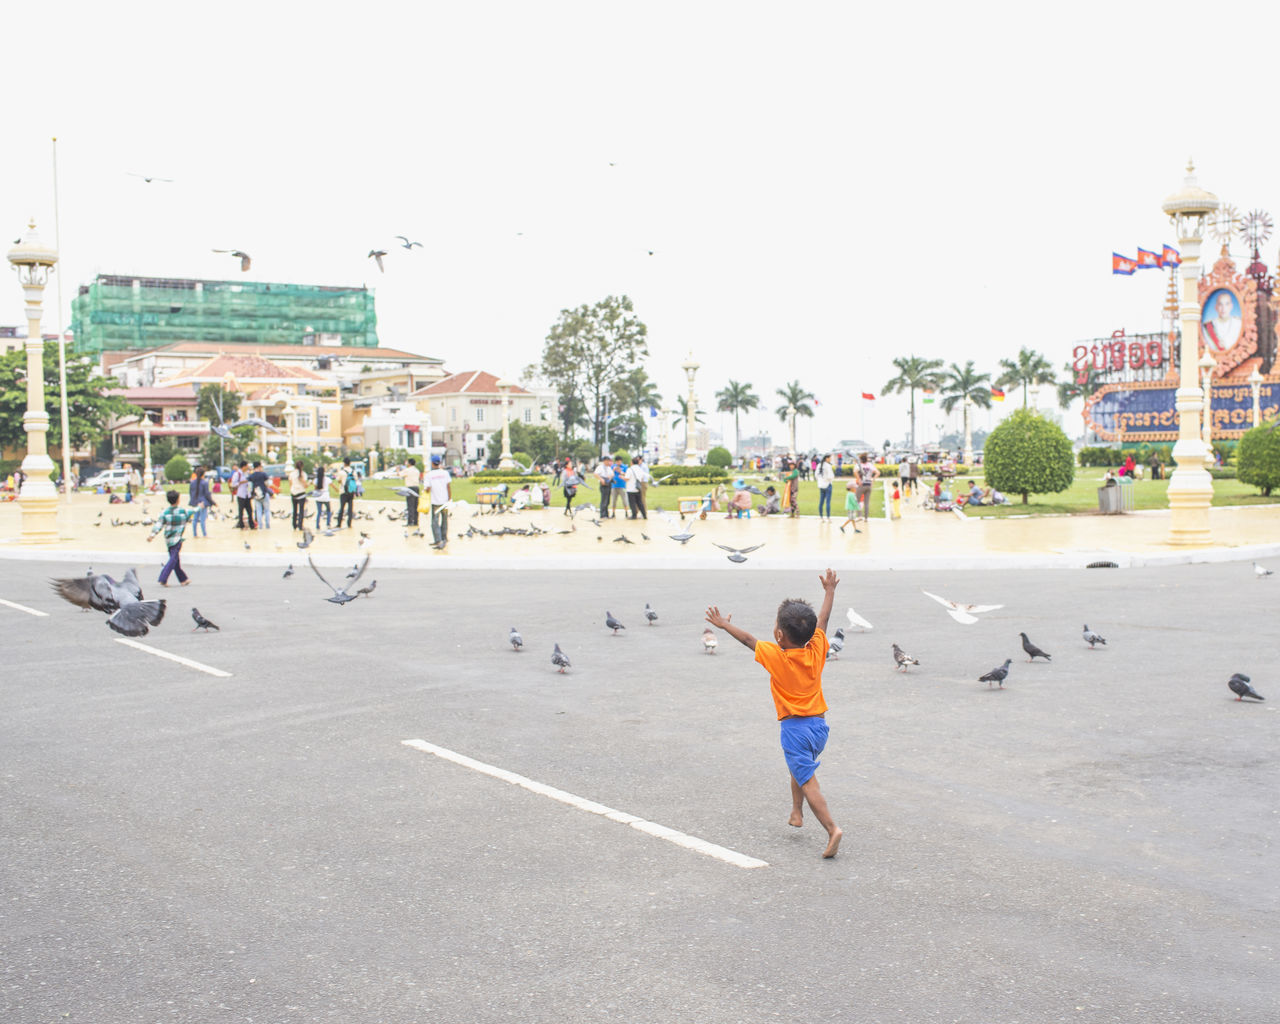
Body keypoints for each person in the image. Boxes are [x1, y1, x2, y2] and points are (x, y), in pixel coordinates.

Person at [703, 569, 843, 859]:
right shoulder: (816, 649)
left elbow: (748, 641)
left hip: (794, 729)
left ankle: (832, 829)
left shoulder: (777, 656)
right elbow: (825, 620)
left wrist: (723, 625)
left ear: (779, 634)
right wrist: (829, 591)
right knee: (800, 768)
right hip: (819, 727)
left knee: (806, 777)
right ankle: (796, 812)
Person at [147, 489, 194, 586]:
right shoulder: (182, 511)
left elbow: (158, 525)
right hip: (177, 539)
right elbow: (192, 512)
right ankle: (163, 578)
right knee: (173, 559)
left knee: (175, 559)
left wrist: (152, 535)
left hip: (168, 540)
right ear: (178, 500)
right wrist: (200, 507)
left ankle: (183, 579)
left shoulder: (164, 513)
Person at [426, 454, 452, 549]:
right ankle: (444, 538)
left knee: (435, 521)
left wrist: (425, 491)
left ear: (432, 463)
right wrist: (449, 498)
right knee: (444, 520)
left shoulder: (429, 475)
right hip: (445, 501)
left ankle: (438, 540)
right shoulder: (445, 473)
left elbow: (427, 489)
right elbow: (448, 486)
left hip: (435, 502)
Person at [187, 466, 215, 538]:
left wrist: (194, 501)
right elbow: (207, 494)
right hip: (203, 503)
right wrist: (213, 502)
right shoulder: (204, 483)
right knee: (203, 520)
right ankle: (204, 534)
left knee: (195, 519)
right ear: (203, 474)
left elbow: (190, 493)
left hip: (195, 503)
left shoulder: (192, 482)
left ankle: (195, 534)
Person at [249, 461, 271, 530]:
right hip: (264, 494)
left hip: (256, 495)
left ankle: (260, 526)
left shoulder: (251, 476)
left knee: (258, 511)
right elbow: (267, 484)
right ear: (259, 466)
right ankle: (267, 526)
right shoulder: (263, 474)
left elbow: (250, 486)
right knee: (267, 510)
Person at [856, 453, 879, 521]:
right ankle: (866, 518)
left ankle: (859, 516)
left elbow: (855, 471)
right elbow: (878, 472)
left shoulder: (859, 465)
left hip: (862, 484)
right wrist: (873, 480)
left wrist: (858, 479)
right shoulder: (870, 465)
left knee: (857, 501)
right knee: (866, 502)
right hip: (868, 484)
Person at [231, 461, 253, 529]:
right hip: (241, 495)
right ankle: (241, 525)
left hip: (247, 494)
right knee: (241, 511)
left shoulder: (247, 473)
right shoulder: (237, 474)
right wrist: (241, 482)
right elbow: (233, 484)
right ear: (244, 466)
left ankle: (251, 525)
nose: (248, 467)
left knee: (250, 510)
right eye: (247, 466)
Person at [335, 457, 357, 528]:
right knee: (350, 508)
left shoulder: (341, 472)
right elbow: (355, 480)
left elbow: (338, 480)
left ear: (344, 463)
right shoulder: (353, 471)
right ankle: (349, 524)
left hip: (343, 492)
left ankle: (339, 523)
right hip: (351, 492)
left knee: (342, 508)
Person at [288, 460, 309, 530]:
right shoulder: (303, 474)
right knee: (301, 510)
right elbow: (305, 485)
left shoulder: (291, 474)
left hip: (293, 493)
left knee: (294, 509)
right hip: (301, 493)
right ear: (302, 466)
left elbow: (290, 484)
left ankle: (294, 525)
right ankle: (300, 525)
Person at [314, 462, 333, 529]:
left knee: (319, 512)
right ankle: (328, 524)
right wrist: (337, 490)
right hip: (325, 496)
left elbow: (315, 488)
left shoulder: (316, 480)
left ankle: (317, 525)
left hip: (318, 497)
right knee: (328, 510)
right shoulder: (327, 479)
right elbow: (332, 485)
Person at [816, 455, 835, 521]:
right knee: (828, 502)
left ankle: (821, 517)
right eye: (830, 458)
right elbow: (830, 476)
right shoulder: (828, 466)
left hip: (821, 485)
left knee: (821, 502)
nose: (830, 459)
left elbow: (816, 475)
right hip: (827, 485)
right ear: (827, 458)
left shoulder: (818, 465)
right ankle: (828, 517)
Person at [403, 457, 421, 527]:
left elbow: (399, 474)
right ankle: (416, 521)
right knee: (416, 505)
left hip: (410, 488)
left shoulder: (407, 470)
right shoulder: (417, 470)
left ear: (409, 463)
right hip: (416, 488)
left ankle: (410, 522)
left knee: (410, 505)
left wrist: (398, 470)